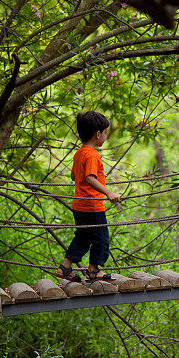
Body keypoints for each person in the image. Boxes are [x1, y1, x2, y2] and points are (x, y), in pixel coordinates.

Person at [54, 111, 121, 283]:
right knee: (101, 239)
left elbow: (74, 176)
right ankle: (93, 271)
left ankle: (65, 267)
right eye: (105, 132)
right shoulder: (91, 155)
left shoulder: (79, 153)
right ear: (98, 134)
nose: (105, 135)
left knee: (83, 237)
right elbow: (90, 178)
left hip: (79, 206)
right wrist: (108, 192)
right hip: (92, 206)